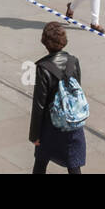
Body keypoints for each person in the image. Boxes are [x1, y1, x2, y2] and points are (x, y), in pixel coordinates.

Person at [30, 20, 86, 174]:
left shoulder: (43, 68)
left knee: (41, 162)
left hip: (51, 125)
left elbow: (39, 105)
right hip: (72, 121)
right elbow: (76, 91)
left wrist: (35, 135)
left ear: (45, 43)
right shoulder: (73, 62)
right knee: (73, 164)